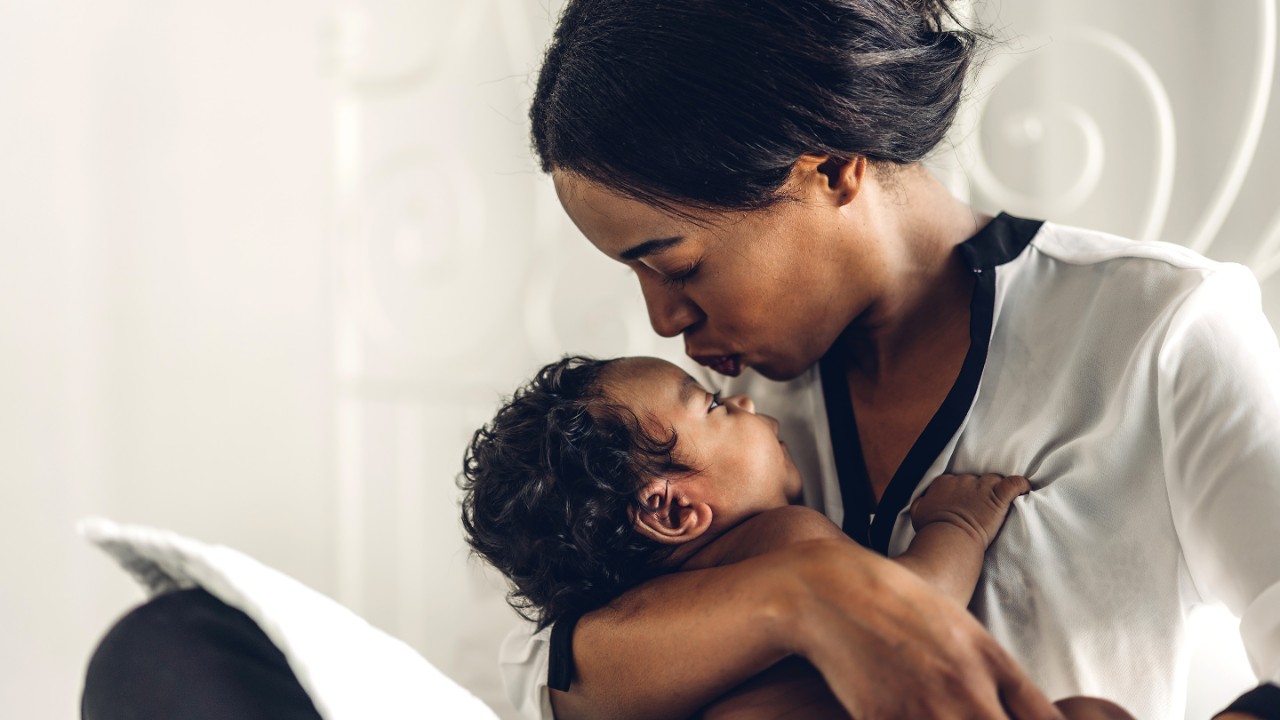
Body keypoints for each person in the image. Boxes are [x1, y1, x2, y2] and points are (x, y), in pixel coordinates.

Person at [501, 0, 1280, 718]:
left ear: (835, 166)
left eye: (678, 267)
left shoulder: (1160, 329)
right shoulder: (694, 418)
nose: (663, 320)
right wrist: (803, 596)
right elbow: (542, 665)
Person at [463, 354, 1138, 719]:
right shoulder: (782, 538)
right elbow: (907, 605)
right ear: (673, 512)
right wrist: (957, 524)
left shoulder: (646, 625)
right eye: (716, 407)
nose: (747, 400)